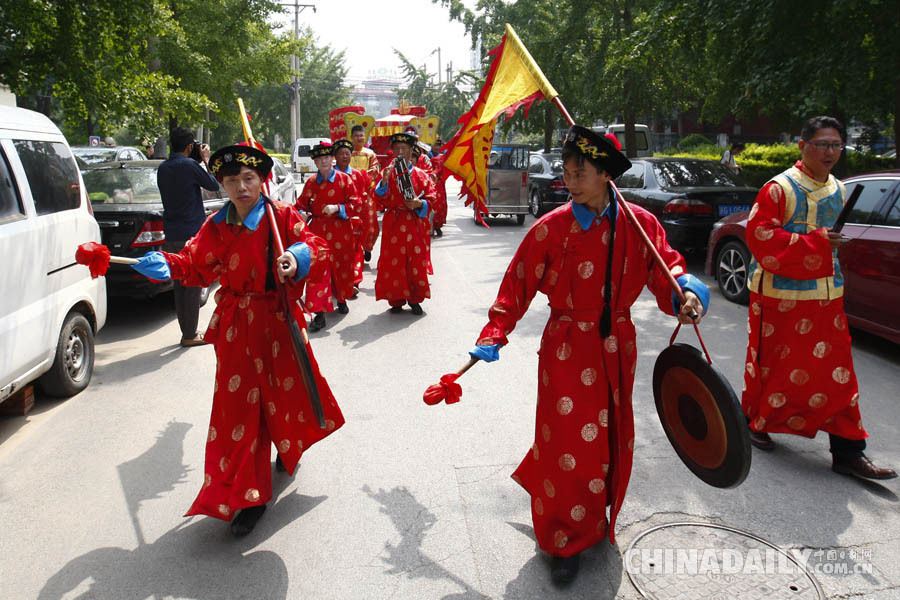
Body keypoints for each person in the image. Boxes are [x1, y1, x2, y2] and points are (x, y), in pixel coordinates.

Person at [462, 125, 708, 584]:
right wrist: (494, 333)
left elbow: (668, 269)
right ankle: (562, 539)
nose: (569, 182)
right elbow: (516, 287)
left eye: (579, 173)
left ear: (605, 175)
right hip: (567, 348)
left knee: (611, 434)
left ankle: (598, 520)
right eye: (566, 172)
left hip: (618, 344)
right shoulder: (552, 229)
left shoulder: (640, 223)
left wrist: (686, 298)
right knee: (567, 442)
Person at [129, 144, 345, 536]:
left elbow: (319, 246)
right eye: (232, 181)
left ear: (262, 181)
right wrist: (168, 264)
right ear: (222, 186)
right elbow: (194, 263)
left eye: (249, 178)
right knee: (241, 411)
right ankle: (250, 494)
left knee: (283, 395)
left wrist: (297, 258)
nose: (242, 187)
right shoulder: (218, 225)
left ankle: (286, 445)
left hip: (277, 322)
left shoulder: (281, 217)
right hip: (235, 328)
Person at [741, 116, 896, 480]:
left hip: (826, 297)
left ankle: (848, 451)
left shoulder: (840, 190)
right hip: (780, 298)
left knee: (837, 375)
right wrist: (818, 242)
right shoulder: (778, 189)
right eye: (823, 145)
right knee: (774, 368)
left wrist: (830, 243)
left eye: (836, 146)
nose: (830, 152)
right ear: (802, 146)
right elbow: (759, 237)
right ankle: (756, 422)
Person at [157, 126, 220, 346]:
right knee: (193, 281)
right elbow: (213, 184)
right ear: (190, 146)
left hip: (171, 232)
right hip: (191, 232)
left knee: (179, 283)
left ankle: (186, 331)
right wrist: (206, 159)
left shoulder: (163, 168)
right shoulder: (190, 166)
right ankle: (190, 334)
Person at [296, 142, 360, 331]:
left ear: (332, 159)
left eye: (326, 158)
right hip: (317, 232)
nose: (323, 161)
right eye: (319, 159)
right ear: (315, 162)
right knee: (317, 271)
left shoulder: (344, 180)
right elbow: (301, 204)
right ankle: (319, 313)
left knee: (341, 268)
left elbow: (357, 204)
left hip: (341, 232)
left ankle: (341, 299)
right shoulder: (311, 182)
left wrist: (339, 208)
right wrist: (301, 212)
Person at [373, 131, 435, 315]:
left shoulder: (421, 175)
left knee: (415, 261)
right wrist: (384, 180)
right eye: (397, 149)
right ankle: (396, 299)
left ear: (411, 151)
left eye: (405, 149)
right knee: (394, 263)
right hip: (394, 223)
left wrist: (418, 204)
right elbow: (378, 197)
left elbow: (432, 199)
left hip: (414, 223)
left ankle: (415, 299)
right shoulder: (388, 172)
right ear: (392, 151)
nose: (401, 152)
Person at [334, 138, 370, 289]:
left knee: (355, 251)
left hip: (353, 221)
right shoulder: (329, 175)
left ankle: (354, 282)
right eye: (341, 153)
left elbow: (363, 197)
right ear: (335, 156)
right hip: (334, 222)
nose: (344, 156)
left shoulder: (358, 175)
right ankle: (336, 283)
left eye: (347, 153)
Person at [349, 125, 380, 262]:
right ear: (351, 137)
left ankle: (367, 247)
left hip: (366, 194)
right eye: (356, 135)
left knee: (370, 223)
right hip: (349, 194)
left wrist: (361, 180)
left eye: (361, 135)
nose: (359, 138)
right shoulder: (346, 153)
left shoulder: (370, 154)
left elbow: (375, 171)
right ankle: (353, 249)